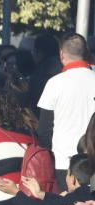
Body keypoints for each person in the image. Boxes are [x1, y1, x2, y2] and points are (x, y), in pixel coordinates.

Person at [37, 34, 95, 189]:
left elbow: (44, 129)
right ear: (86, 53)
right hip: (93, 158)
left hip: (64, 161)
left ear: (62, 54)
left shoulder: (54, 83)